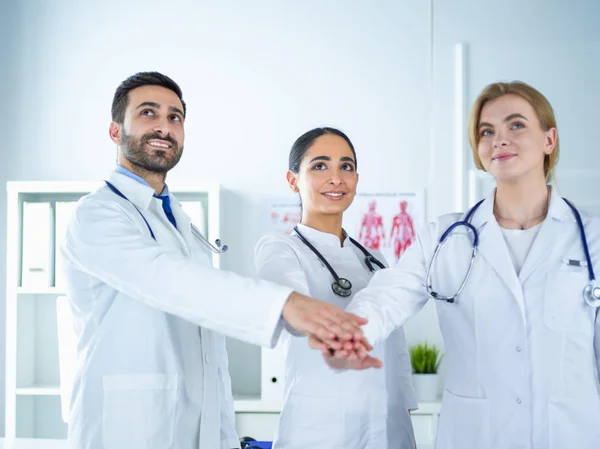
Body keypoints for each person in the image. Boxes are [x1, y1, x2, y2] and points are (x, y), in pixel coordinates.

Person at [60, 72, 371, 449]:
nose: (164, 127)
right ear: (115, 131)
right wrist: (285, 303)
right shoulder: (96, 216)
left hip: (198, 428)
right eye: (148, 113)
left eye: (175, 117)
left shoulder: (179, 221)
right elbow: (166, 279)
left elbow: (208, 352)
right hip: (127, 428)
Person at [318, 81, 600, 449]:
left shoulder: (592, 237)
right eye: (487, 131)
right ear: (478, 150)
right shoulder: (444, 238)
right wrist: (347, 333)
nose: (500, 139)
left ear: (549, 140)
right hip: (475, 435)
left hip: (571, 435)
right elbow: (388, 297)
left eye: (516, 125)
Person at [255, 127, 417, 449]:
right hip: (320, 428)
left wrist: (403, 410)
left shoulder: (375, 259)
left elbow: (395, 351)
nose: (336, 178)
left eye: (346, 166)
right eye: (319, 166)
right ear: (292, 180)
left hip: (389, 425)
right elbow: (291, 310)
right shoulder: (280, 250)